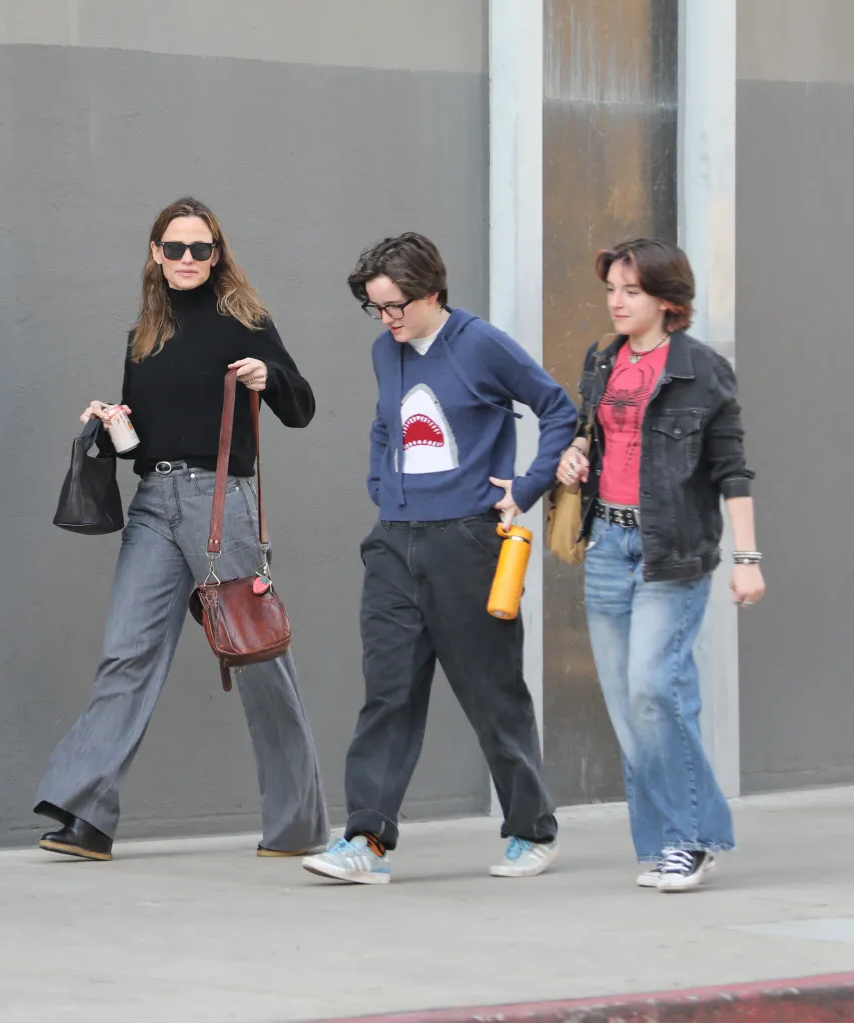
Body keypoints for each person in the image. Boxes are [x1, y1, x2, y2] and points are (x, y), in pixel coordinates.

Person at [34, 197, 329, 861]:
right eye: (176, 248)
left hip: (220, 503)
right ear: (155, 254)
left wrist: (267, 374)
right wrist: (108, 426)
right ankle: (86, 812)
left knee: (257, 659)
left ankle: (299, 823)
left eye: (201, 249)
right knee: (126, 652)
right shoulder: (145, 334)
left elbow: (301, 404)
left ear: (218, 255)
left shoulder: (242, 321)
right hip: (153, 504)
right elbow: (142, 443)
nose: (188, 260)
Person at [301, 232, 578, 885]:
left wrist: (528, 485)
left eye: (395, 306)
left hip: (467, 539)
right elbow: (385, 422)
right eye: (376, 309)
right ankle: (365, 840)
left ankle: (531, 830)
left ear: (431, 292)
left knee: (491, 692)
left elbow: (556, 407)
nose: (387, 320)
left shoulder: (480, 343)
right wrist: (380, 482)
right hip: (394, 542)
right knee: (387, 693)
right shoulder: (384, 351)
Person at [556, 238, 765, 892]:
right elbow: (595, 435)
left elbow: (731, 468)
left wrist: (746, 558)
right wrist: (573, 457)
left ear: (667, 301)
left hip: (669, 552)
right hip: (607, 546)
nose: (616, 302)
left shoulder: (702, 370)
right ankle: (662, 842)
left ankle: (692, 838)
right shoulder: (602, 359)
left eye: (630, 291)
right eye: (611, 290)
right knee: (628, 706)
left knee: (654, 689)